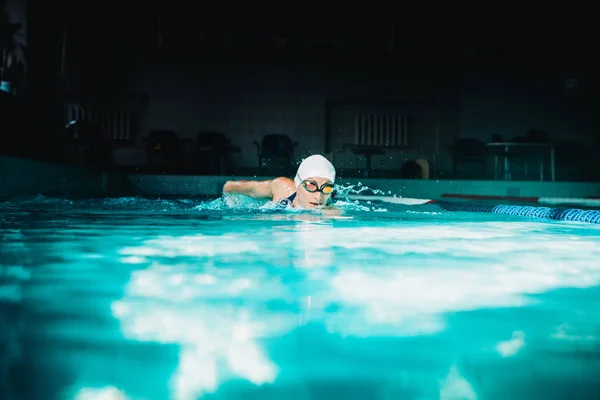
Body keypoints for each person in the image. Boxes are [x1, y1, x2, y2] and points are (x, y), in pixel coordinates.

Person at [223, 154, 336, 209]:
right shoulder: (282, 187)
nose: (318, 196)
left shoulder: (331, 212)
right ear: (298, 184)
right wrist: (228, 191)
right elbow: (244, 188)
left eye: (327, 188)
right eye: (311, 186)